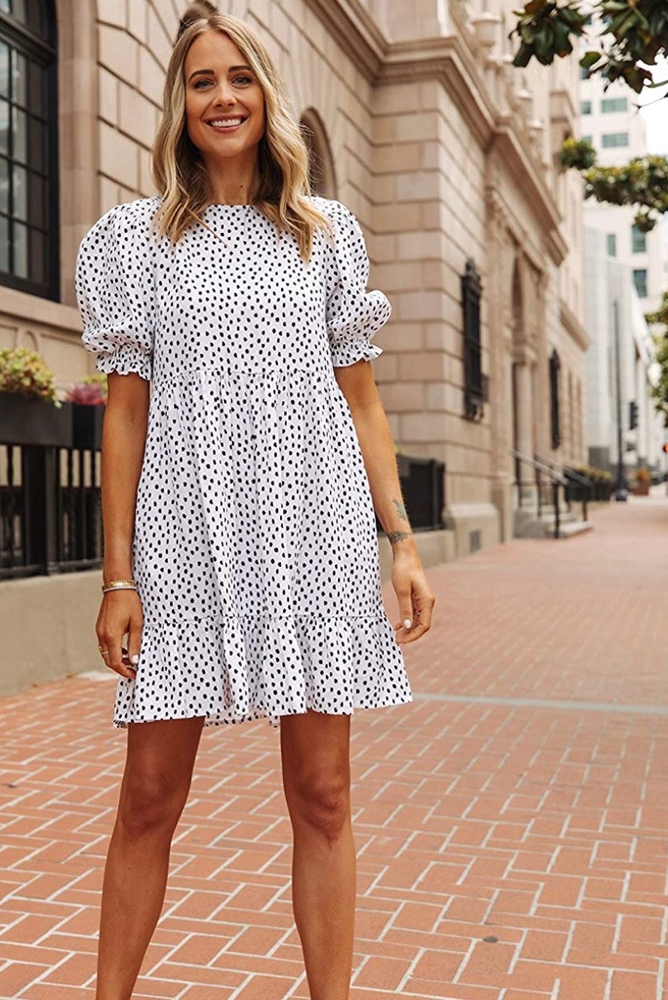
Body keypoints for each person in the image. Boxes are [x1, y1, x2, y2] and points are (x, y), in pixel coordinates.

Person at [75, 8, 435, 998]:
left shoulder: (326, 234)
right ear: (178, 104)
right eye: (201, 81)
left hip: (313, 529)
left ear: (266, 93)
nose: (223, 96)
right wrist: (117, 576)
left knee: (322, 795)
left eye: (239, 77)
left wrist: (397, 540)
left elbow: (360, 400)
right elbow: (125, 419)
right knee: (149, 795)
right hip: (184, 534)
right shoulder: (135, 242)